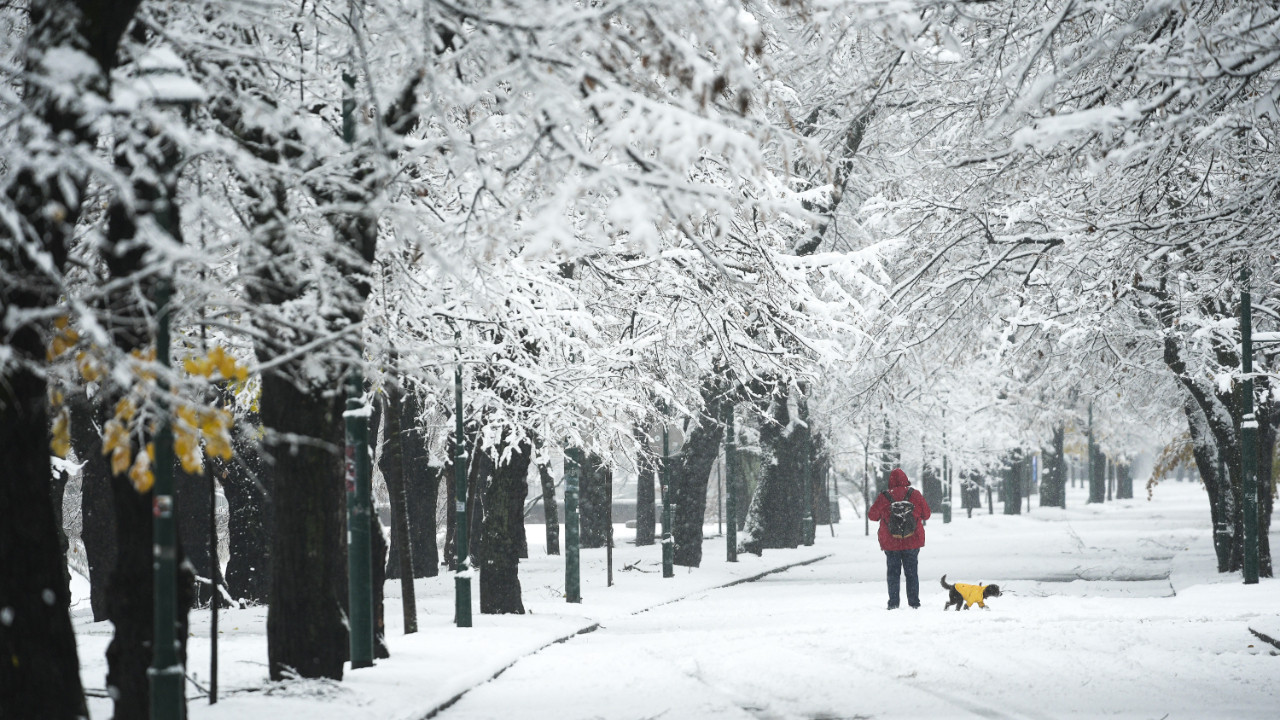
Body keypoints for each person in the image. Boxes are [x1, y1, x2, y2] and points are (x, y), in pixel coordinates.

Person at [867, 468, 931, 609]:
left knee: (893, 574)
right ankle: (914, 603)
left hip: (891, 543)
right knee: (912, 573)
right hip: (912, 541)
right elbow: (926, 514)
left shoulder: (884, 496)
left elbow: (872, 516)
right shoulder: (915, 494)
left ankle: (894, 603)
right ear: (906, 479)